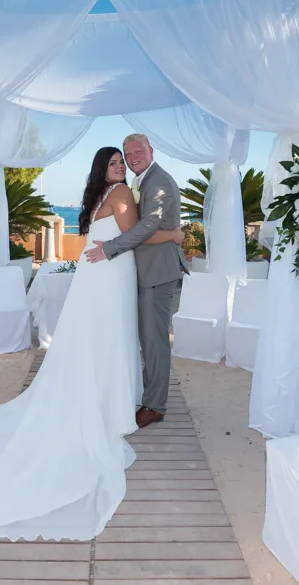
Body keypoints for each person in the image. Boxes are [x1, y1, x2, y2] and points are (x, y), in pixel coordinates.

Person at [0, 146, 183, 541]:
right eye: (114, 162)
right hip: (112, 275)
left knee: (99, 340)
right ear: (104, 169)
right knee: (112, 340)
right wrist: (174, 233)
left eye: (122, 161)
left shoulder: (97, 199)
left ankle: (106, 396)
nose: (121, 166)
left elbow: (118, 233)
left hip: (98, 276)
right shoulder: (123, 194)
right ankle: (110, 405)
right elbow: (135, 234)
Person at [86, 134, 187, 429]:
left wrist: (109, 248)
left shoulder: (159, 181)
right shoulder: (139, 182)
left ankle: (155, 406)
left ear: (151, 151)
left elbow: (145, 227)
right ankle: (147, 392)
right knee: (146, 338)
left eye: (137, 151)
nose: (132, 158)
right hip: (147, 270)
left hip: (158, 271)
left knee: (155, 342)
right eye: (128, 154)